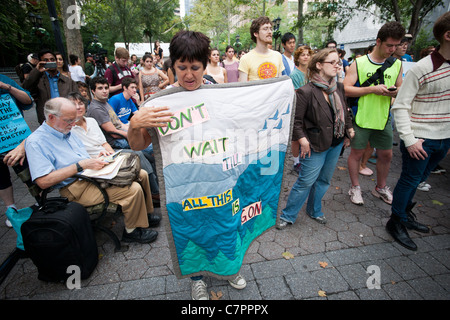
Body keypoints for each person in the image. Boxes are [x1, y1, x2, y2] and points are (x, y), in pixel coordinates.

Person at [127, 30, 248, 300]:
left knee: (227, 226)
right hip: (184, 185)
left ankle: (230, 269)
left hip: (222, 181)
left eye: (195, 67)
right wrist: (136, 123)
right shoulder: (161, 103)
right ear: (172, 66)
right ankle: (197, 277)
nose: (189, 74)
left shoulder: (222, 95)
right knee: (192, 229)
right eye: (182, 67)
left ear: (205, 66)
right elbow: (137, 145)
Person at [24, 97, 159, 243]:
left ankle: (144, 216)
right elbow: (43, 182)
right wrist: (81, 165)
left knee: (142, 174)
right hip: (74, 188)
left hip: (89, 175)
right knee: (132, 190)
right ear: (51, 117)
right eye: (69, 120)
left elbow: (80, 157)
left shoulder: (65, 131)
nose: (73, 124)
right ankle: (132, 231)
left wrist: (97, 156)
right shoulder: (37, 141)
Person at [386, 12, 450, 251]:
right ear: (448, 35)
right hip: (421, 139)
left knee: (420, 180)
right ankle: (396, 221)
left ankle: (404, 213)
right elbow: (400, 106)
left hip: (443, 138)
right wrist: (410, 140)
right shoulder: (421, 68)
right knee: (410, 179)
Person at [277, 48, 354, 229]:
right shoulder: (306, 91)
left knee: (324, 180)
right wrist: (302, 140)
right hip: (314, 145)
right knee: (305, 181)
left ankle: (314, 210)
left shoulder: (339, 87)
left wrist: (349, 129)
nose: (338, 66)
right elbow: (295, 121)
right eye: (332, 62)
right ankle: (287, 215)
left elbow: (345, 111)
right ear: (319, 65)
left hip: (335, 144)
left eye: (339, 62)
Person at [344, 21, 405, 206]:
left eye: (396, 45)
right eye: (389, 45)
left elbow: (400, 88)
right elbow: (345, 89)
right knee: (356, 154)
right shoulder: (359, 63)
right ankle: (355, 187)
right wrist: (372, 90)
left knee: (386, 155)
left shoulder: (396, 64)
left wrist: (394, 94)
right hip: (361, 118)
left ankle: (380, 187)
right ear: (378, 41)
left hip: (384, 119)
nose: (393, 49)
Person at [86, 77, 160, 201]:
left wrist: (136, 128)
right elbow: (114, 133)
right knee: (142, 153)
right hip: (115, 143)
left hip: (122, 137)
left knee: (153, 147)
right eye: (100, 88)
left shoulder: (106, 103)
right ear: (93, 91)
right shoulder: (96, 108)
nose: (104, 91)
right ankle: (154, 192)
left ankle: (156, 186)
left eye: (106, 88)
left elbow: (120, 123)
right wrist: (134, 134)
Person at [0, 74, 34, 227]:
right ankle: (11, 209)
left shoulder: (4, 80)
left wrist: (5, 87)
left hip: (15, 139)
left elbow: (28, 101)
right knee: (1, 177)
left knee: (28, 172)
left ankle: (41, 202)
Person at [23, 48, 79, 124]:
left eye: (52, 59)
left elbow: (77, 99)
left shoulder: (68, 81)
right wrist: (37, 70)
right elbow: (26, 87)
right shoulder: (38, 81)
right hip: (47, 121)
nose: (50, 62)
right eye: (46, 60)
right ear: (41, 62)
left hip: (67, 119)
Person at [289, 45, 313, 173]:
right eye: (303, 55)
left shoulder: (312, 72)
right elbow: (297, 93)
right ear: (297, 58)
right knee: (296, 137)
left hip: (311, 109)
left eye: (308, 54)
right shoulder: (294, 74)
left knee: (307, 134)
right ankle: (296, 162)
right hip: (299, 109)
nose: (306, 57)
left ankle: (306, 158)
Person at [238, 16, 284, 81]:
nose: (270, 32)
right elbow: (242, 88)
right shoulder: (245, 59)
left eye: (271, 29)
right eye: (265, 29)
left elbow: (280, 84)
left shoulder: (278, 56)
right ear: (256, 33)